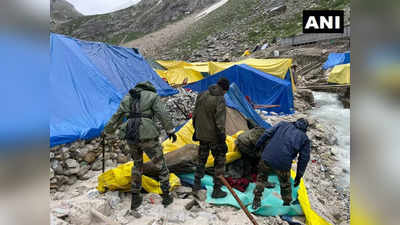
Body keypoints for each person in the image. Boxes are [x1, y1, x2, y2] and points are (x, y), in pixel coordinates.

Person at [102, 81, 177, 210]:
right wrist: (170, 130)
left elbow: (117, 116)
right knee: (160, 164)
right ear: (149, 88)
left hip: (131, 134)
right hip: (148, 133)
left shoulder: (128, 97)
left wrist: (107, 131)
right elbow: (162, 113)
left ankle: (135, 197)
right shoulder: (152, 96)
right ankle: (166, 196)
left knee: (137, 165)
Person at [252, 118, 311, 209]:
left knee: (261, 179)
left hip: (267, 157)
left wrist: (257, 146)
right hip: (283, 164)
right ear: (305, 129)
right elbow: (304, 159)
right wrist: (299, 176)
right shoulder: (304, 139)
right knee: (285, 185)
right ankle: (286, 204)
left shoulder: (282, 124)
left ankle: (256, 201)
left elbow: (267, 133)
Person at [192, 77, 230, 198]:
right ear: (224, 89)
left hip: (201, 134)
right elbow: (220, 121)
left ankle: (196, 185)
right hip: (214, 137)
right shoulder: (220, 99)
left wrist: (196, 130)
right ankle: (217, 189)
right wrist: (222, 139)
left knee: (201, 160)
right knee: (219, 161)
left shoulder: (202, 94)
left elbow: (195, 114)